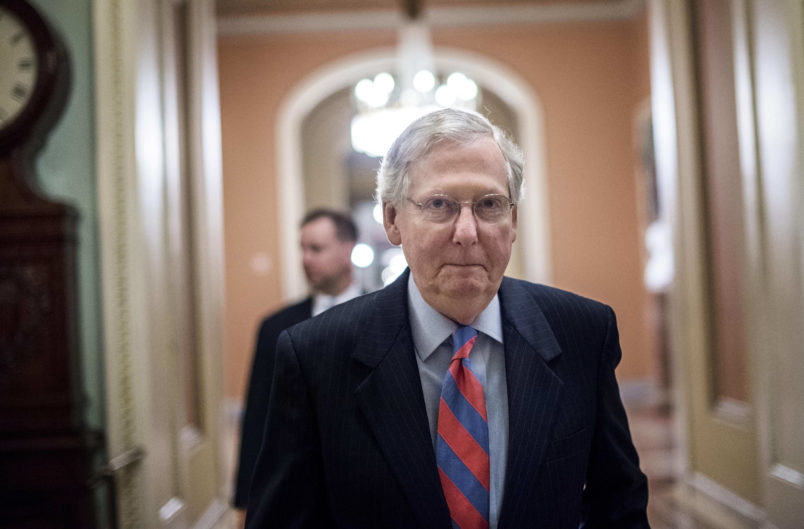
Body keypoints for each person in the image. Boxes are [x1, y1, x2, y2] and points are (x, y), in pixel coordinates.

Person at [244, 109, 650, 528]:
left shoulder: (582, 332)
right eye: (440, 205)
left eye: (490, 204)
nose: (467, 232)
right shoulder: (316, 355)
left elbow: (619, 505)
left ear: (512, 221)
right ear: (393, 219)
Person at [233, 209, 360, 510]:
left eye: (316, 249)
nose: (305, 259)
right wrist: (246, 497)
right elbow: (257, 415)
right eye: (302, 249)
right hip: (297, 494)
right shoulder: (276, 327)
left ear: (348, 250)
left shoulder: (387, 319)